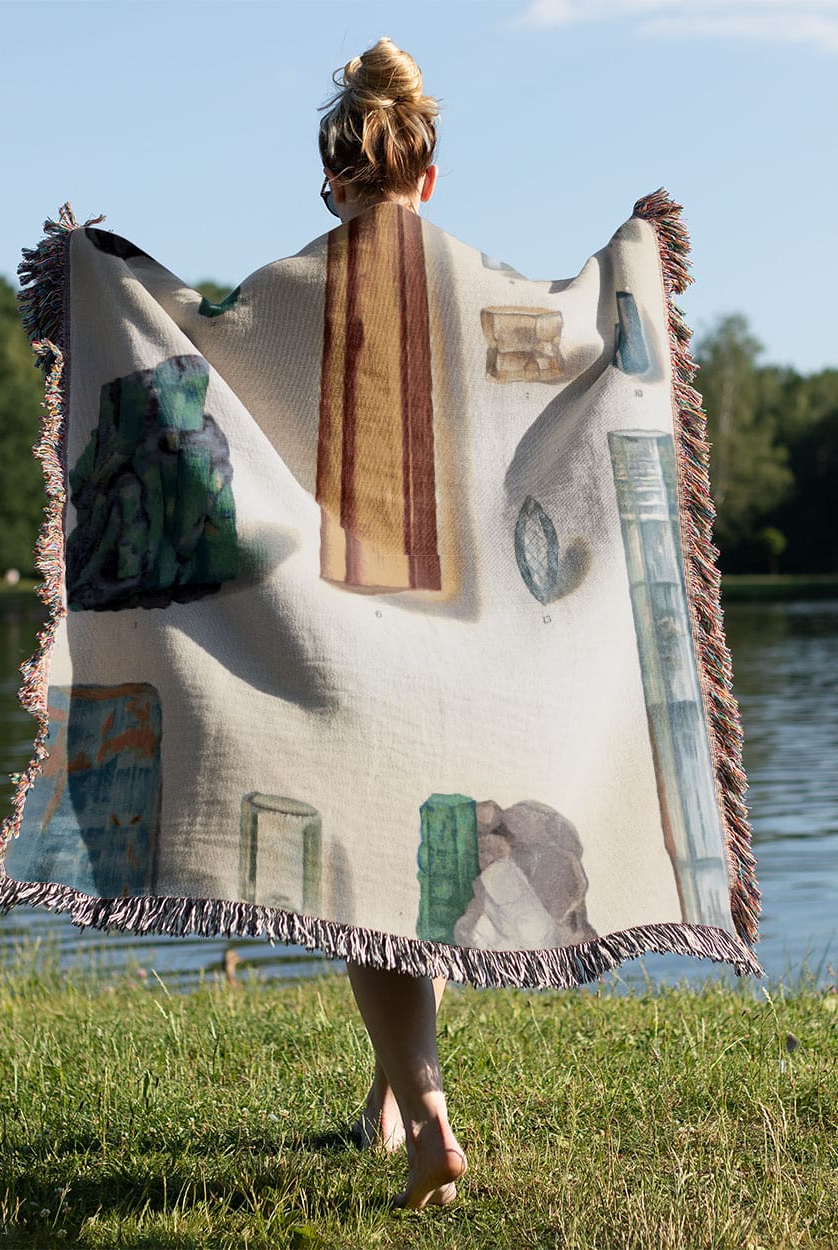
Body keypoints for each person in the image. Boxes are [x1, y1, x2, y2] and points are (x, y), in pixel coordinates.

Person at [316, 37, 467, 1212]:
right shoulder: (475, 283)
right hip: (457, 628)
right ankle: (383, 1099)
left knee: (361, 881)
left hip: (341, 622)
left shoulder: (291, 291)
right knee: (411, 870)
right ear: (425, 174)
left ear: (335, 178)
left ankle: (426, 1117)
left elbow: (191, 363)